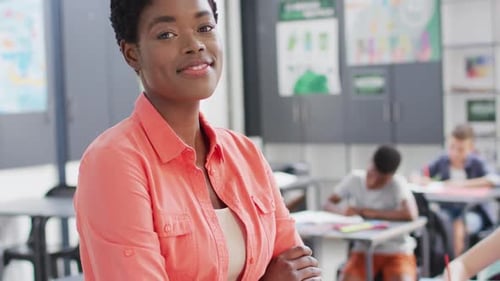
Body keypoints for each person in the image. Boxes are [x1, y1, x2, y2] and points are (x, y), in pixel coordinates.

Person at [74, 0, 321, 280]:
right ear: (132, 54)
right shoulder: (114, 162)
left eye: (204, 27)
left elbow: (301, 269)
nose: (195, 45)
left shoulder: (245, 154)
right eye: (167, 34)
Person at [324, 145, 419, 281]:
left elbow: (411, 214)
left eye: (381, 179)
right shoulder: (355, 179)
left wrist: (371, 213)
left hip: (396, 250)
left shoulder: (397, 184)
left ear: (390, 176)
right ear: (370, 163)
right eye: (372, 173)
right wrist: (342, 212)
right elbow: (328, 203)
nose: (374, 181)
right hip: (363, 250)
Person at [418, 124, 498, 256]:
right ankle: (438, 266)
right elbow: (421, 174)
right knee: (435, 223)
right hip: (447, 211)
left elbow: (492, 179)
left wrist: (460, 184)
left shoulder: (477, 162)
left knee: (458, 226)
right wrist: (423, 179)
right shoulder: (443, 160)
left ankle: (456, 265)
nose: (455, 153)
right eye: (452, 147)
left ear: (471, 148)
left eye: (460, 149)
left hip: (473, 212)